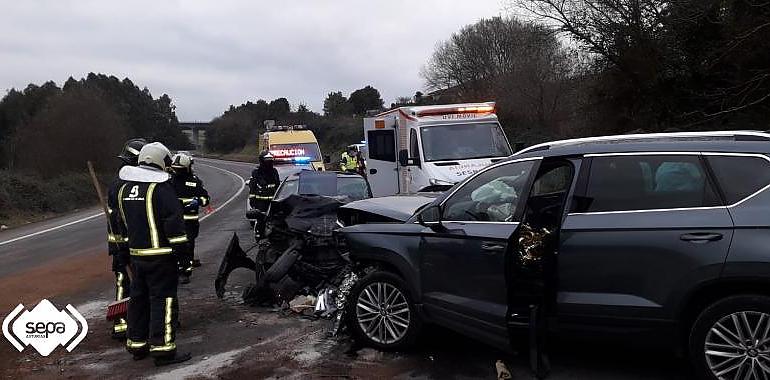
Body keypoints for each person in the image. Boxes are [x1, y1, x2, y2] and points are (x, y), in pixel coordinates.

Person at [117, 142, 191, 366]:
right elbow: (174, 226)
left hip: (136, 257)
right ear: (160, 161)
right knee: (163, 301)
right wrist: (183, 257)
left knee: (138, 300)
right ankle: (163, 349)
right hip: (161, 258)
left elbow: (120, 225)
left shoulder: (125, 189)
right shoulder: (161, 189)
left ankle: (137, 345)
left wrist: (123, 254)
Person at [107, 138, 146, 339]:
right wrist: (120, 245)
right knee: (125, 282)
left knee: (134, 282)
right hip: (124, 244)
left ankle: (136, 320)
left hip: (129, 244)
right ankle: (122, 324)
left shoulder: (122, 181)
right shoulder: (123, 183)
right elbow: (117, 219)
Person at [169, 152, 210, 284]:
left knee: (188, 245)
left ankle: (185, 271)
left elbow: (205, 198)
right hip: (174, 221)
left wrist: (198, 201)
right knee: (175, 246)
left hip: (190, 221)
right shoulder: (168, 181)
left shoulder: (194, 181)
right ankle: (178, 268)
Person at [249, 150, 280, 215]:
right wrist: (253, 203)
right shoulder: (256, 172)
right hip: (260, 204)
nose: (268, 162)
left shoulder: (274, 172)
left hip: (274, 203)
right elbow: (252, 188)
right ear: (262, 160)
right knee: (260, 222)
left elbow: (279, 186)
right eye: (267, 160)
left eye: (270, 160)